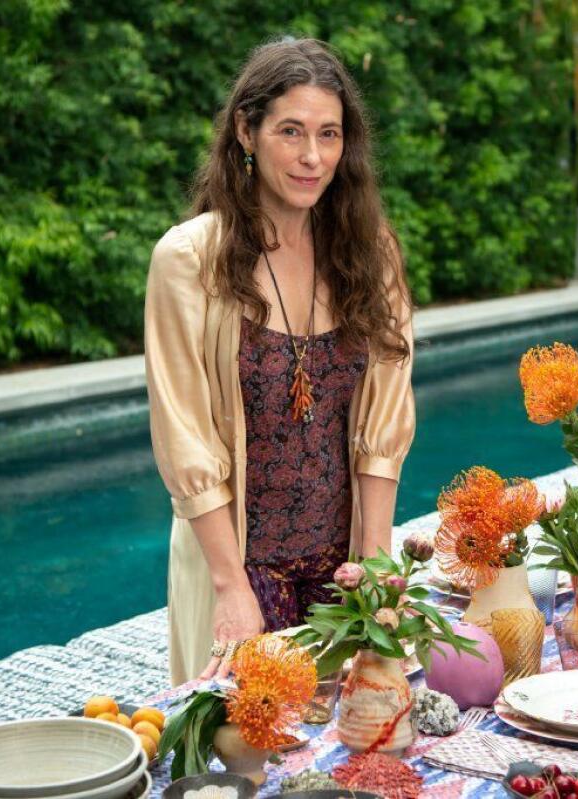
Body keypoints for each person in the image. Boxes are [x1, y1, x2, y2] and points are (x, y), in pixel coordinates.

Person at [143, 37, 415, 685]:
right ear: (246, 129)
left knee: (348, 759)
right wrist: (230, 586)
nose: (312, 156)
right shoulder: (188, 259)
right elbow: (187, 440)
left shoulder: (369, 250)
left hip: (339, 569)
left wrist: (373, 571)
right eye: (291, 131)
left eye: (329, 134)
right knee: (241, 765)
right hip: (235, 565)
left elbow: (384, 425)